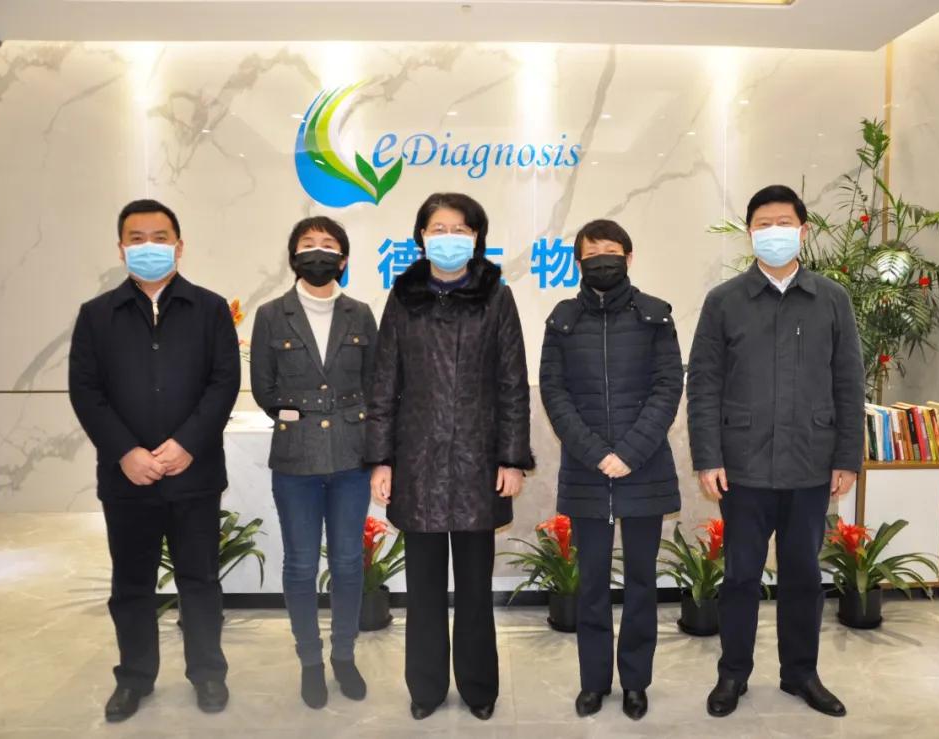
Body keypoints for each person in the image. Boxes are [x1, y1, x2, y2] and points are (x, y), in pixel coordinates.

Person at [687, 184, 865, 719]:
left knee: (803, 576)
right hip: (742, 467)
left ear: (803, 230)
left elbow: (849, 383)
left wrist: (847, 457)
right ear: (750, 233)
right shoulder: (724, 301)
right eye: (763, 224)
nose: (774, 232)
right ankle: (732, 674)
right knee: (741, 576)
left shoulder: (832, 299)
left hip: (811, 464)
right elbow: (704, 384)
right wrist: (707, 457)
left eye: (784, 223)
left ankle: (801, 673)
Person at [68, 199, 240, 722]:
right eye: (136, 238)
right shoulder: (97, 315)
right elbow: (86, 391)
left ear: (179, 246)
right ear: (121, 249)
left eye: (160, 237)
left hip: (195, 473)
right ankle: (134, 678)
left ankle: (208, 673)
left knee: (200, 581)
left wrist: (187, 443)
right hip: (127, 478)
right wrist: (125, 451)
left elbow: (223, 383)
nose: (149, 247)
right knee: (131, 585)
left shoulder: (210, 309)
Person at [365, 192, 534, 722]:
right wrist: (382, 460)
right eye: (438, 228)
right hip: (416, 463)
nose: (449, 238)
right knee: (424, 590)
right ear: (421, 236)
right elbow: (383, 384)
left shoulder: (496, 297)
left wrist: (512, 459)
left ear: (477, 237)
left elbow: (512, 384)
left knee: (476, 589)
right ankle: (427, 687)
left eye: (460, 229)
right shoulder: (403, 298)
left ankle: (480, 687)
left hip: (478, 465)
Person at [539, 219, 683, 721]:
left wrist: (629, 453)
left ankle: (636, 682)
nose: (602, 259)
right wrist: (597, 453)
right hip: (587, 470)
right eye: (592, 252)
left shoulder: (655, 315)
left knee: (642, 583)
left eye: (611, 251)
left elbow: (668, 388)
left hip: (644, 467)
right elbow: (554, 393)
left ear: (629, 257)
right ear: (578, 262)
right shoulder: (562, 320)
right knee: (592, 584)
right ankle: (594, 682)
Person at [250, 216, 377, 709]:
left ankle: (344, 655)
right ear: (293, 256)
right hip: (295, 460)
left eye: (328, 245)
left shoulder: (360, 314)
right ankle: (310, 661)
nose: (318, 252)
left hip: (351, 458)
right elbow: (264, 388)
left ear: (343, 260)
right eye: (308, 244)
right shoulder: (271, 314)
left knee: (347, 562)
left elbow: (374, 383)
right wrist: (305, 414)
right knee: (301, 564)